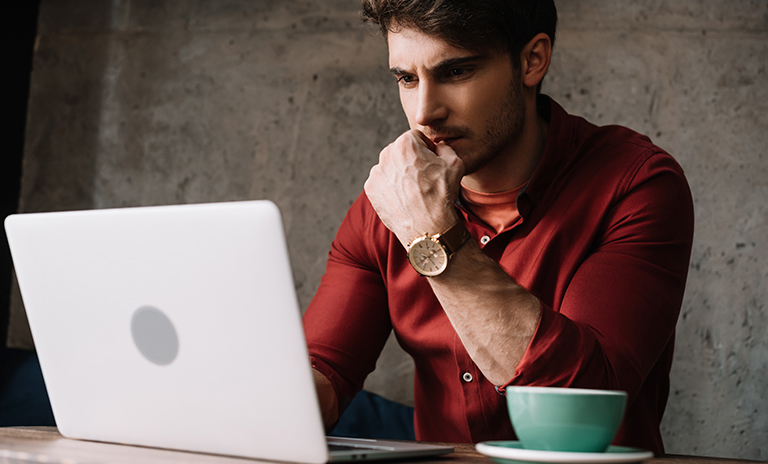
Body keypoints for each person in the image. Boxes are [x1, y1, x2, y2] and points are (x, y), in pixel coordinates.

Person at [302, 0, 694, 455]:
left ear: (532, 60)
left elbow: (576, 404)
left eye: (455, 72)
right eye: (407, 79)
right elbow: (322, 373)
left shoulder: (635, 184)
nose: (425, 111)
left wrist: (432, 231)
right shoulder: (388, 201)